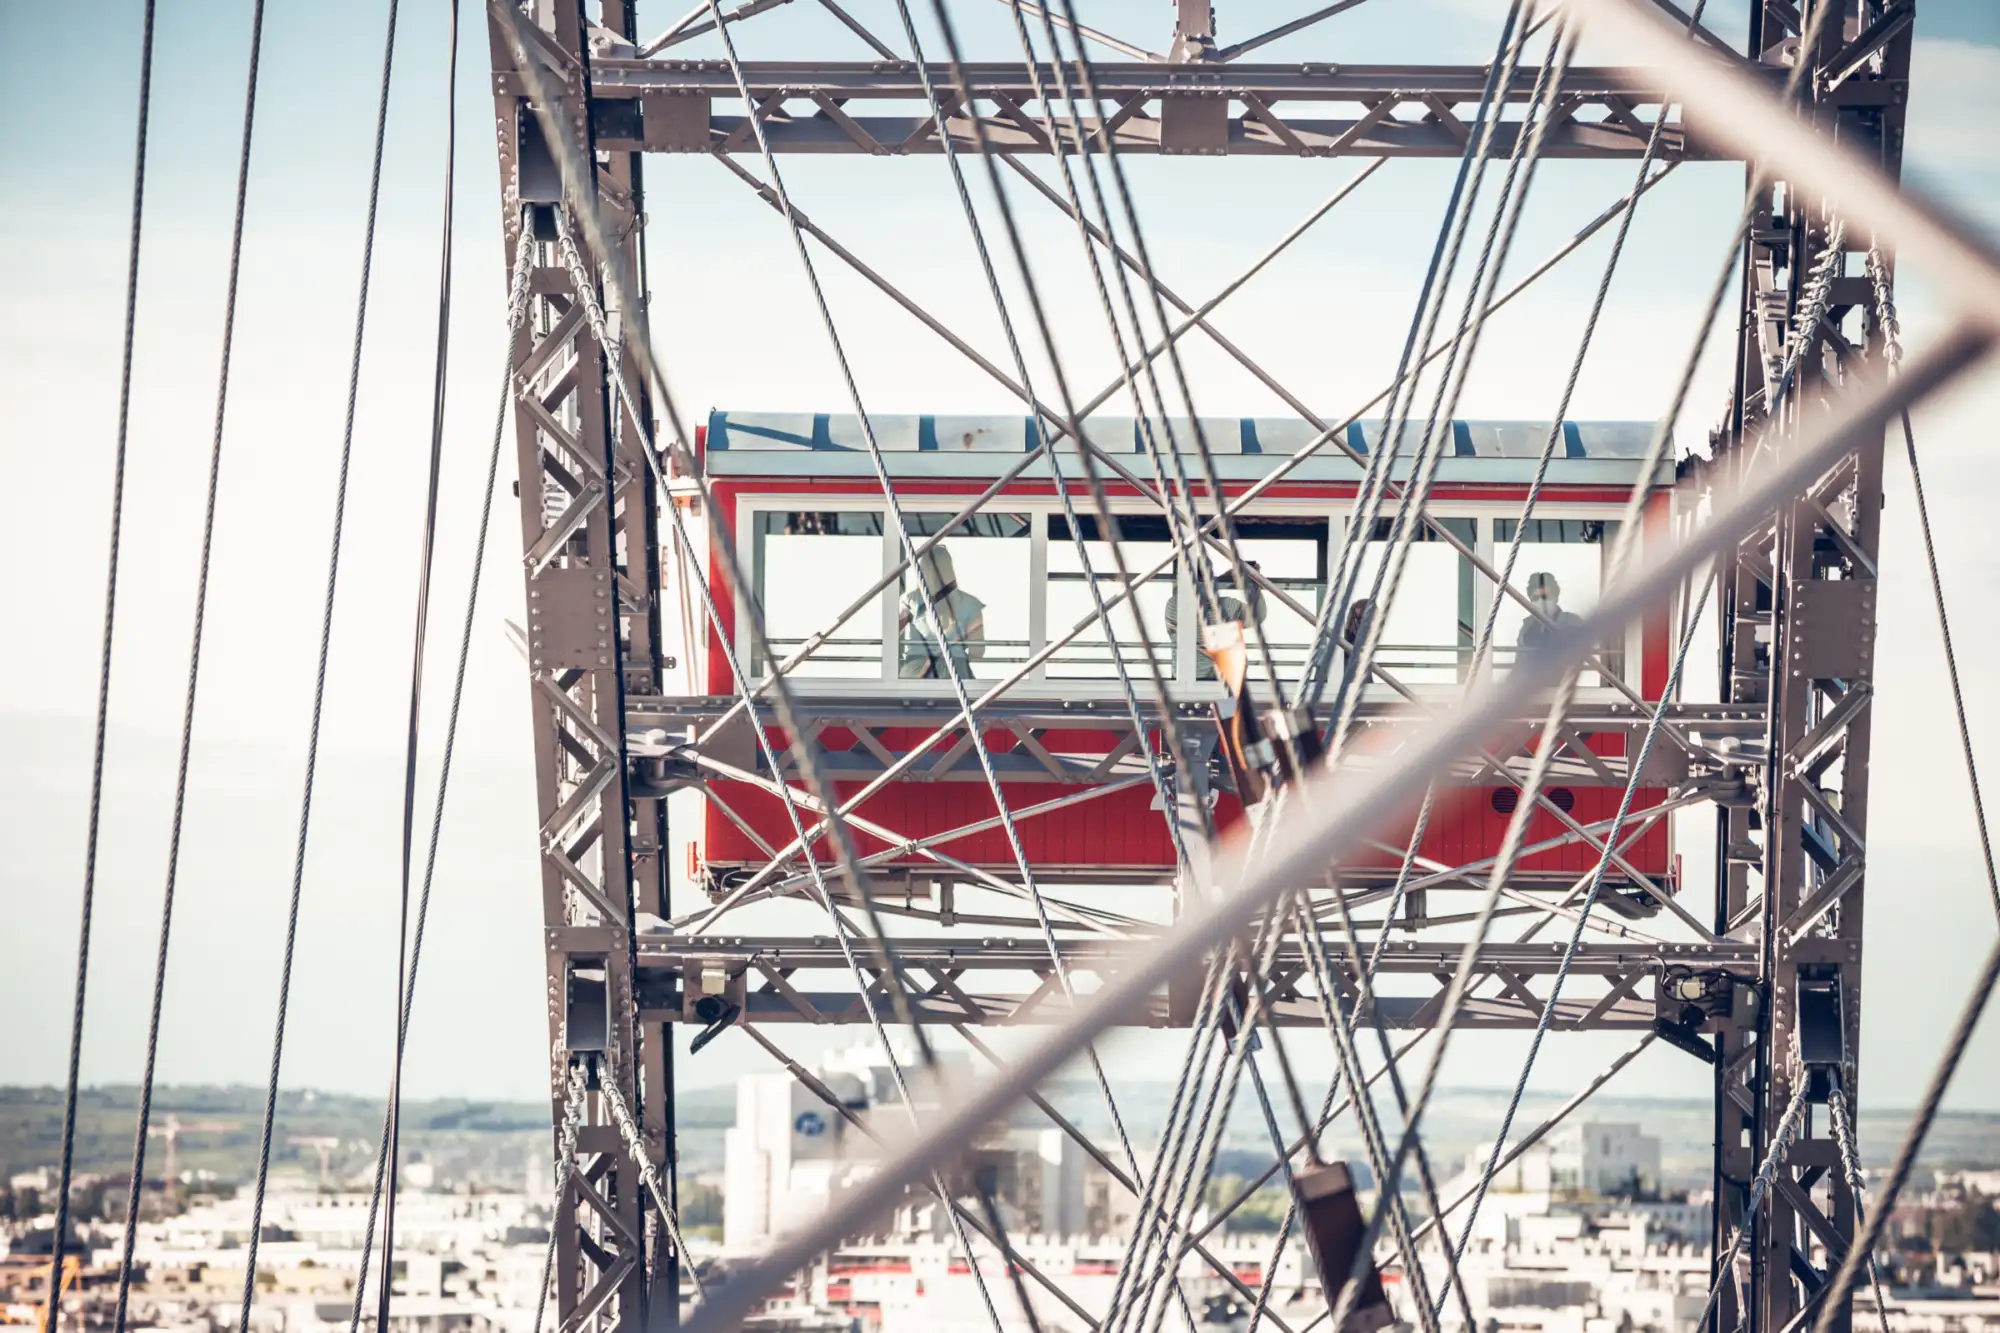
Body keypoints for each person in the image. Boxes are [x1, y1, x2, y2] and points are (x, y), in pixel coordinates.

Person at [899, 545, 986, 679]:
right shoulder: (971, 603)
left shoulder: (910, 600)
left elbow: (893, 633)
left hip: (916, 671)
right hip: (957, 670)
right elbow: (978, 651)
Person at [1516, 570, 1583, 667]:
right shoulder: (1526, 627)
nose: (1541, 601)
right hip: (1532, 679)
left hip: (1562, 677)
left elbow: (1580, 654)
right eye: (1535, 597)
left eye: (1545, 597)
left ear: (1556, 596)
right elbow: (1519, 661)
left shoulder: (1573, 621)